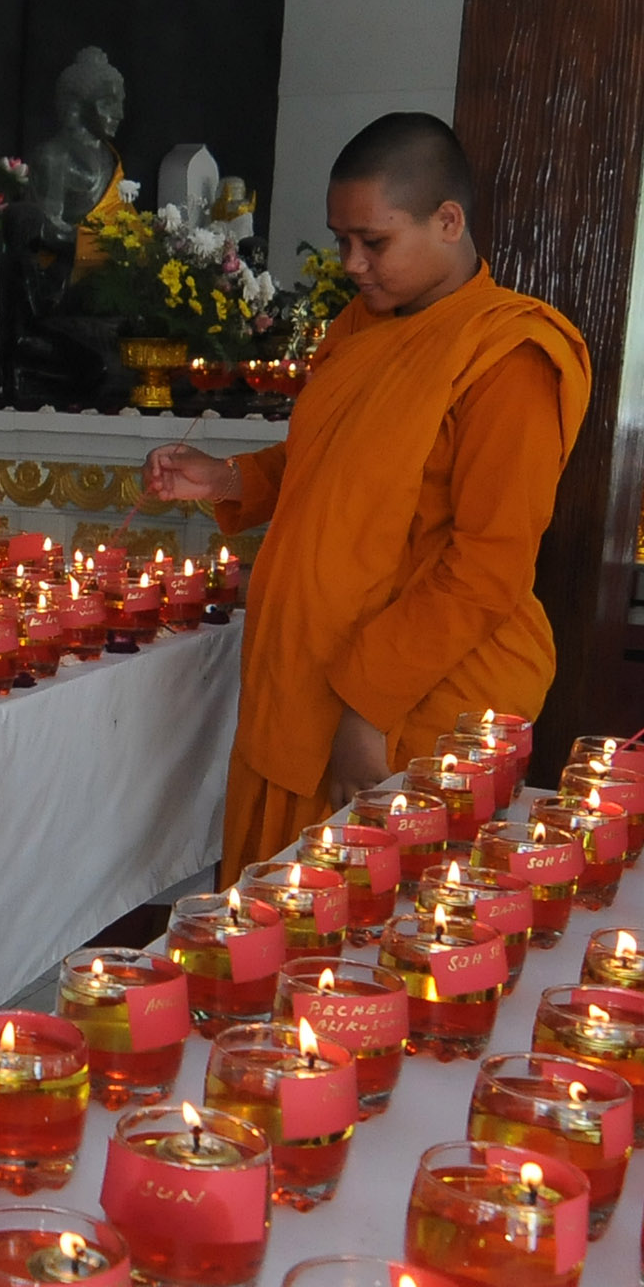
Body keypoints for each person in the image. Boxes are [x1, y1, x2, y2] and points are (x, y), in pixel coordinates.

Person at [144, 113, 587, 883]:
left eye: (372, 242)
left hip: (410, 699)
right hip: (305, 675)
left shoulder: (508, 359)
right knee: (271, 937)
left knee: (370, 954)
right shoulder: (362, 326)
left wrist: (367, 707)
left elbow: (488, 566)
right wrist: (230, 480)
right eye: (341, 239)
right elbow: (334, 464)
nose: (350, 263)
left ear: (447, 221)